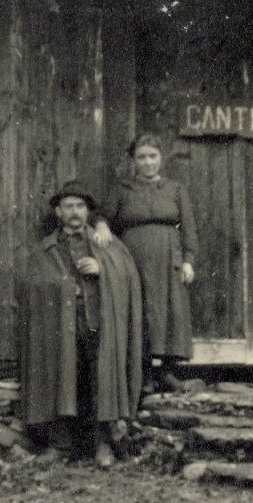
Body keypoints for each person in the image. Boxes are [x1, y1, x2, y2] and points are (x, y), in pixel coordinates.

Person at [18, 181, 143, 469]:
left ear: (88, 211)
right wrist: (61, 288)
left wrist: (103, 269)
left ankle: (103, 445)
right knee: (60, 379)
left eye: (80, 207)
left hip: (97, 323)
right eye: (68, 207)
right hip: (60, 327)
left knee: (101, 381)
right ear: (59, 213)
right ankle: (60, 445)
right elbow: (34, 285)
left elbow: (127, 277)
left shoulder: (105, 243)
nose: (75, 212)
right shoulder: (46, 249)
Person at [94, 133, 198, 395]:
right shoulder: (122, 189)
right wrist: (103, 226)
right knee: (140, 314)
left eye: (153, 156)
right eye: (142, 157)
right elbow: (103, 215)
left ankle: (167, 372)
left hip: (169, 259)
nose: (148, 162)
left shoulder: (176, 189)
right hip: (134, 260)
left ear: (161, 159)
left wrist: (188, 260)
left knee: (171, 312)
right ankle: (144, 376)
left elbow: (189, 229)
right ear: (133, 160)